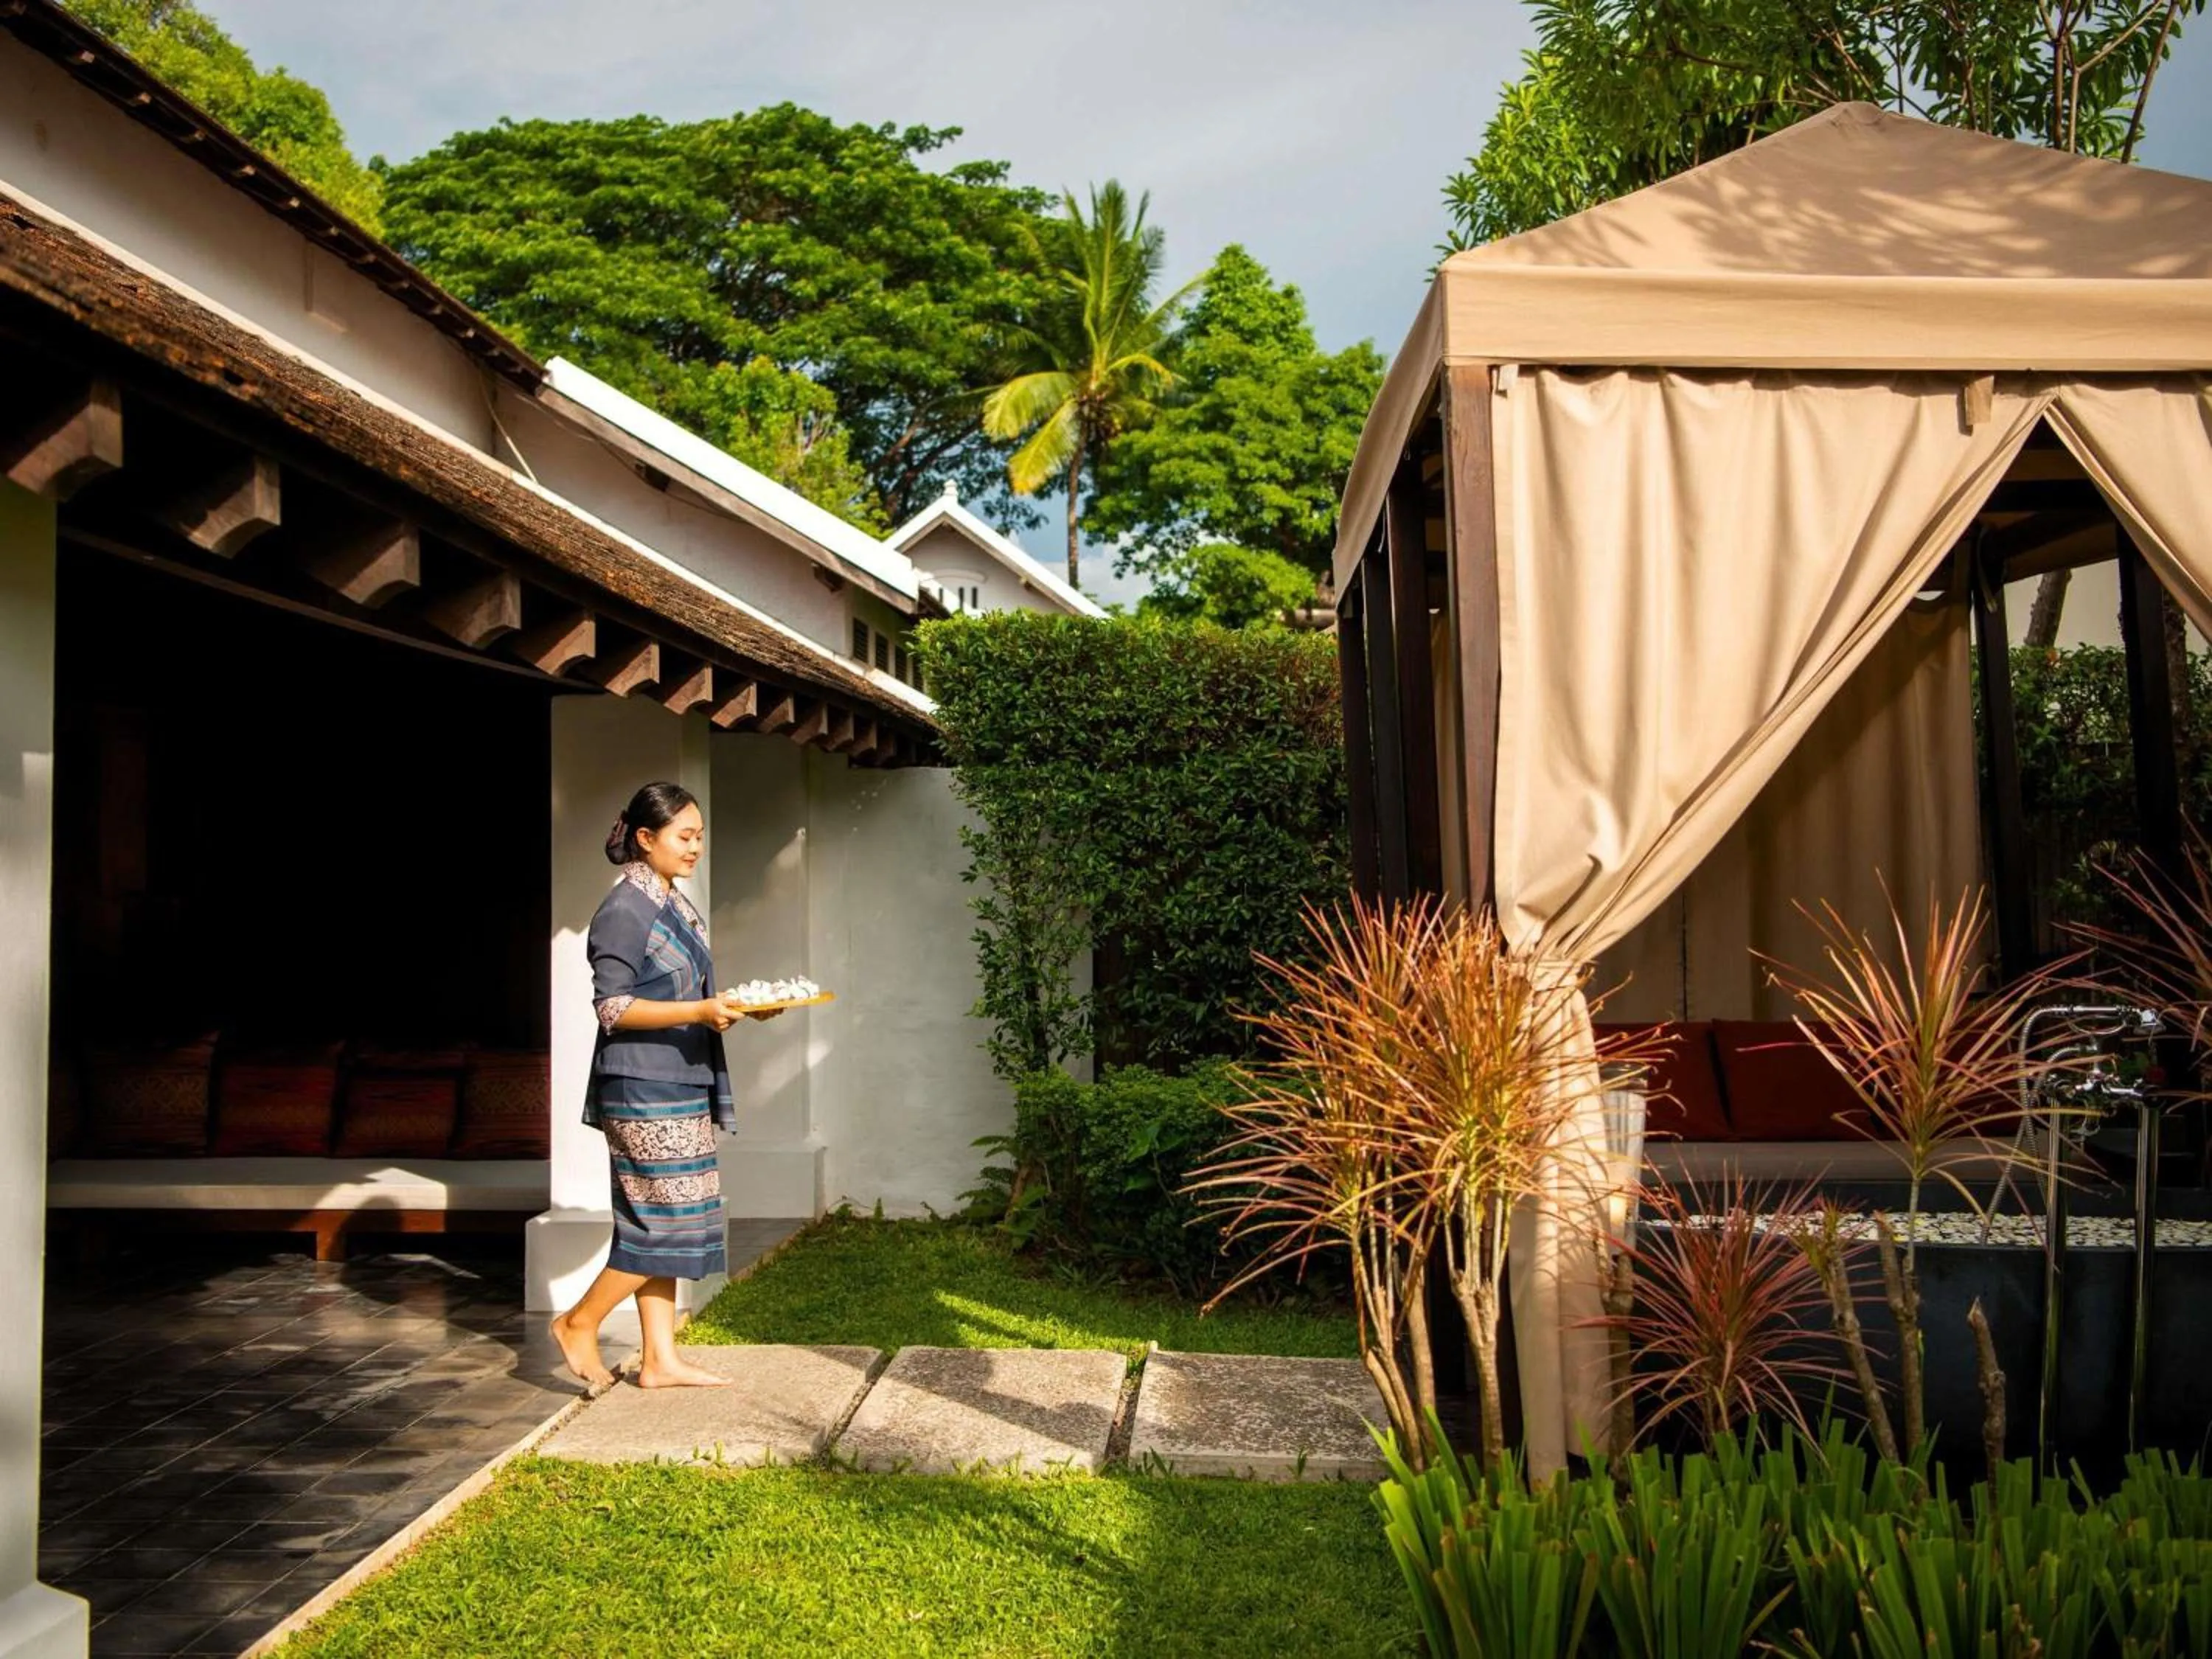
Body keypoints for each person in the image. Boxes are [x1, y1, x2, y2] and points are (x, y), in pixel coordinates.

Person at [549, 781, 779, 1392]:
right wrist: (701, 1011)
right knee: (667, 1222)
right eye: (685, 836)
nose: (696, 846)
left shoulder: (672, 901)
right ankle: (578, 1323)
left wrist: (732, 1009)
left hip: (679, 1079)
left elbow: (680, 993)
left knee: (663, 1218)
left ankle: (659, 1360)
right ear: (646, 838)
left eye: (700, 836)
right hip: (641, 1088)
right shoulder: (625, 909)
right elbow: (613, 1008)